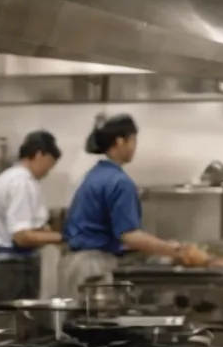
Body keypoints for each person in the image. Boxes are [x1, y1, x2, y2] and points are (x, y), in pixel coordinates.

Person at [60, 113, 214, 295]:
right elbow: (129, 235)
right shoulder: (119, 182)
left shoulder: (95, 175)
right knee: (94, 321)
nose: (135, 146)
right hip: (93, 268)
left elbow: (108, 231)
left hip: (74, 265)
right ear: (120, 141)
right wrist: (176, 251)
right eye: (133, 140)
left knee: (75, 322)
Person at [0, 130, 63, 306]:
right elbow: (21, 236)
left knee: (8, 327)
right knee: (16, 328)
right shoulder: (22, 182)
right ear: (39, 154)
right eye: (50, 163)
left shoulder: (12, 177)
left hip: (9, 268)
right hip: (14, 271)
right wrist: (64, 238)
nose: (49, 170)